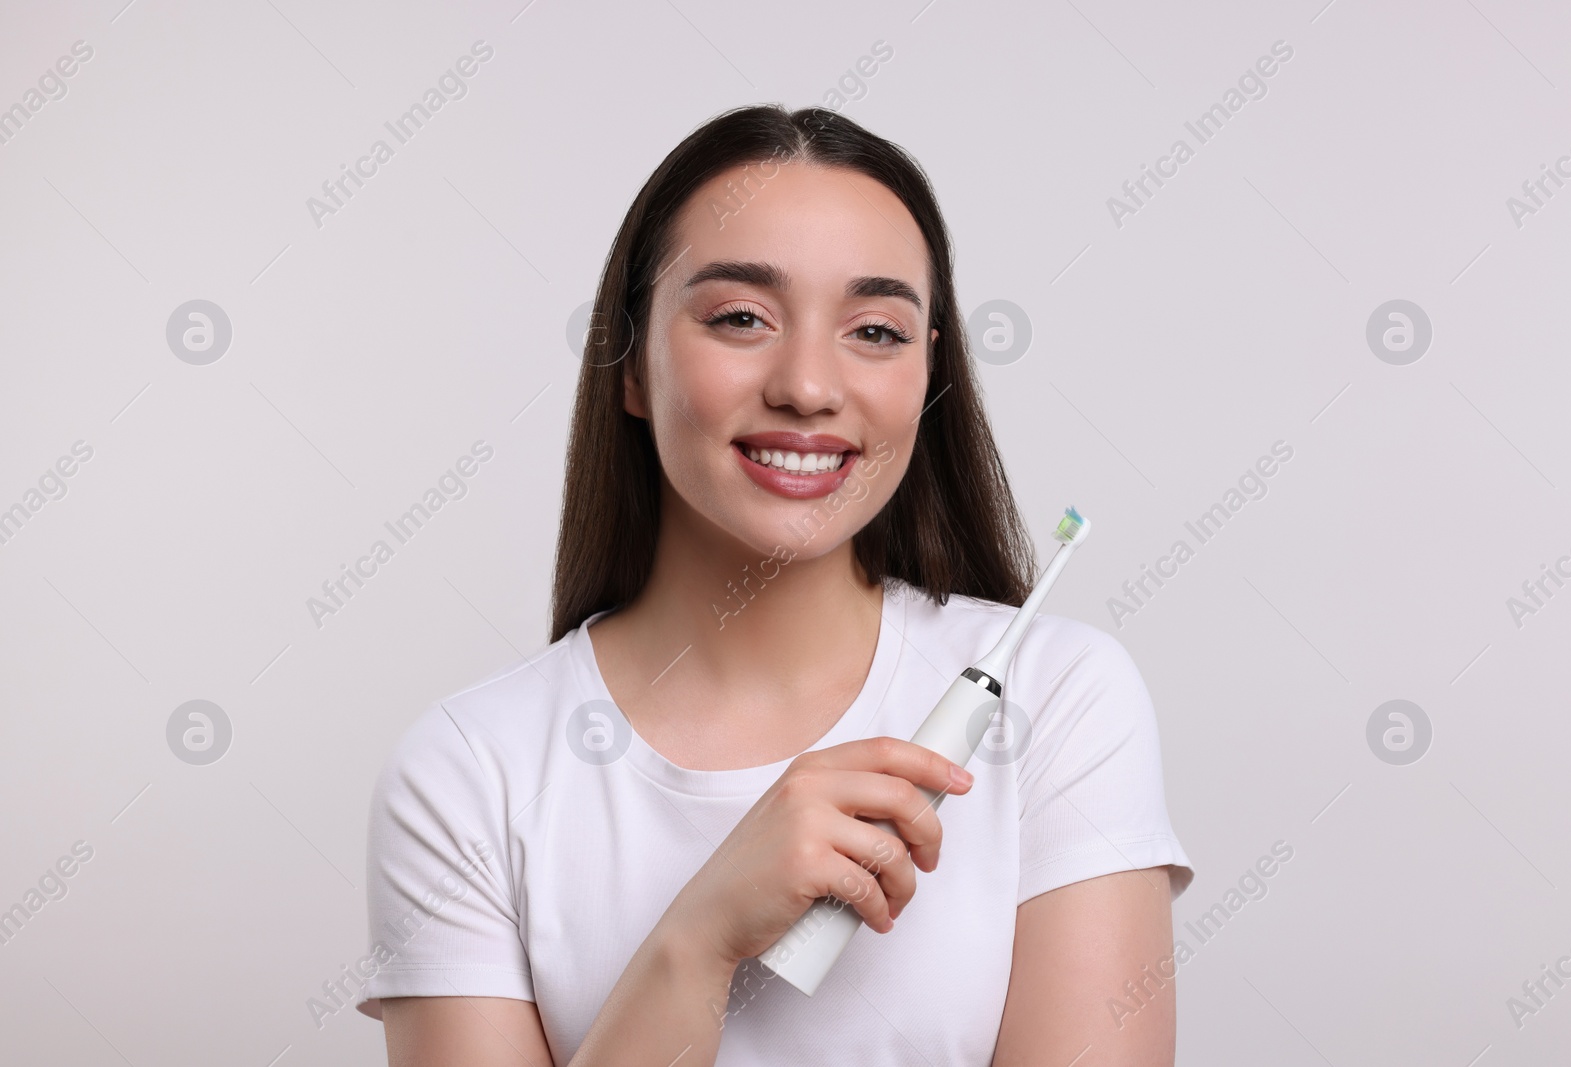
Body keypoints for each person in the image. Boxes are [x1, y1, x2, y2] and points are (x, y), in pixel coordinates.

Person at [358, 104, 1194, 1066]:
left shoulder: (1064, 701)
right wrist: (695, 943)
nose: (807, 385)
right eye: (741, 318)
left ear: (930, 374)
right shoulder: (467, 775)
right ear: (629, 362)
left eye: (875, 330)